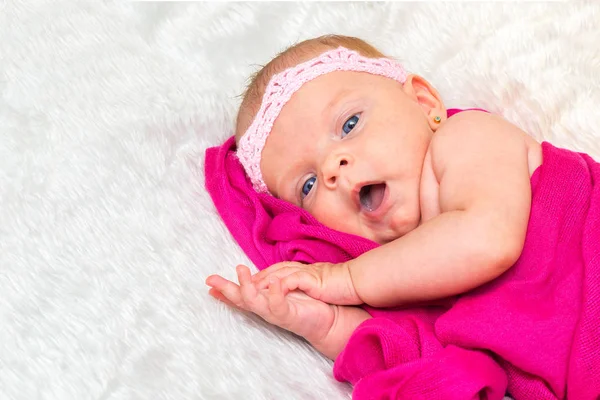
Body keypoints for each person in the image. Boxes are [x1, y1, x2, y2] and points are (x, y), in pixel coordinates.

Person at [205, 35, 600, 399]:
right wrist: (319, 322)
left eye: (349, 124)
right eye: (307, 185)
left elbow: (488, 237)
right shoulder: (397, 277)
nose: (332, 168)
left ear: (424, 103)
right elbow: (403, 351)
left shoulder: (465, 138)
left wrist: (346, 280)